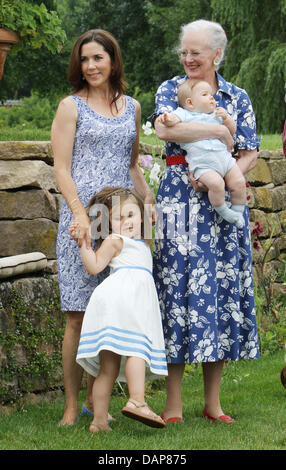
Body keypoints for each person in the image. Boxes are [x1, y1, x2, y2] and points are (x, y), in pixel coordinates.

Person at [153, 19, 260, 424]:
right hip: (180, 200)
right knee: (176, 289)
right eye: (184, 52)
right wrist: (216, 130)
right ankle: (173, 403)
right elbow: (166, 133)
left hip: (222, 201)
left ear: (217, 53)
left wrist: (229, 171)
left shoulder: (238, 96)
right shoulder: (171, 89)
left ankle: (213, 402)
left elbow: (249, 150)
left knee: (221, 290)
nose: (188, 58)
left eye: (196, 52)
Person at [51, 29, 154, 426]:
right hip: (82, 219)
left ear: (113, 60)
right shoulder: (70, 107)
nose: (91, 66)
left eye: (99, 58)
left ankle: (100, 404)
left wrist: (148, 206)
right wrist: (79, 214)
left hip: (122, 223)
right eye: (84, 59)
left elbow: (132, 166)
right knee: (77, 315)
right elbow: (61, 167)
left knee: (113, 313)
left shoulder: (132, 107)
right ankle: (71, 407)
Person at [69, 187, 167, 434]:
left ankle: (98, 422)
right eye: (118, 218)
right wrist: (84, 244)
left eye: (131, 215)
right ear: (108, 223)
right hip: (123, 301)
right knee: (136, 348)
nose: (126, 223)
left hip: (121, 304)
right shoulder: (115, 241)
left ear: (142, 217)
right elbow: (95, 266)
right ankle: (137, 400)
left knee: (108, 369)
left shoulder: (143, 241)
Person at [159, 78, 246, 228]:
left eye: (211, 94)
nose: (212, 97)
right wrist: (167, 119)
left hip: (225, 160)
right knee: (217, 184)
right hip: (204, 164)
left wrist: (226, 118)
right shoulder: (184, 114)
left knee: (239, 182)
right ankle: (224, 211)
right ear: (190, 103)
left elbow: (231, 132)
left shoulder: (216, 115)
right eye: (205, 94)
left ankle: (237, 212)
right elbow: (172, 121)